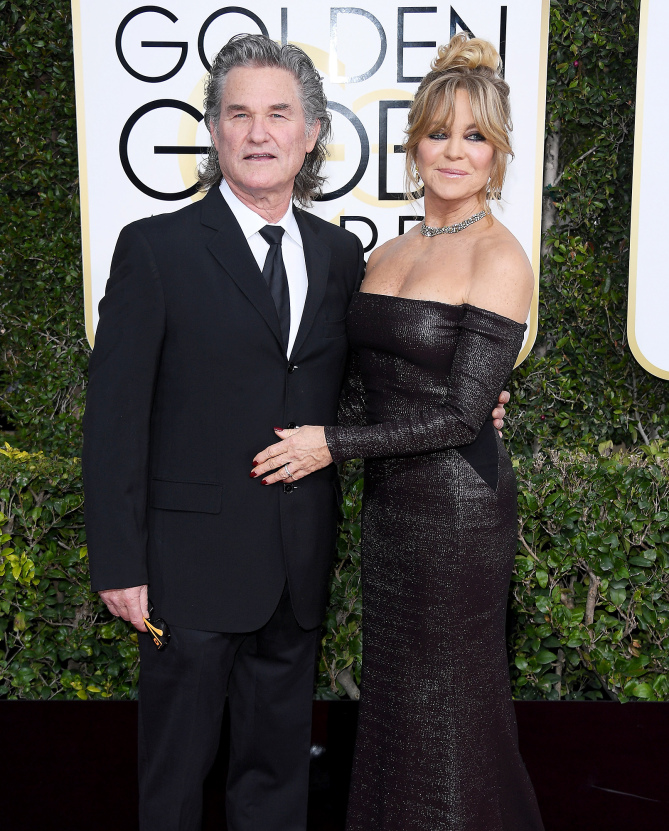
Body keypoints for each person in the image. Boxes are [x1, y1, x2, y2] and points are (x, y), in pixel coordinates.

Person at [84, 33, 509, 831]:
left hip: (296, 563)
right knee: (172, 778)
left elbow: (361, 385)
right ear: (212, 132)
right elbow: (112, 418)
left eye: (278, 113)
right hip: (187, 569)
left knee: (274, 778)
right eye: (238, 114)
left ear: (310, 131)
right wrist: (119, 560)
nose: (258, 132)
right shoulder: (155, 249)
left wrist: (469, 399)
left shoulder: (341, 253)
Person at [252, 34, 544, 830]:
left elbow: (456, 416)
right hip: (390, 506)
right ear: (413, 143)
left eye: (474, 136)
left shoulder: (500, 257)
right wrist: (330, 430)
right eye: (439, 132)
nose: (454, 151)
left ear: (498, 155)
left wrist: (329, 445)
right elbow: (358, 388)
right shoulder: (386, 251)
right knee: (396, 698)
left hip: (458, 509)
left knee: (449, 699)